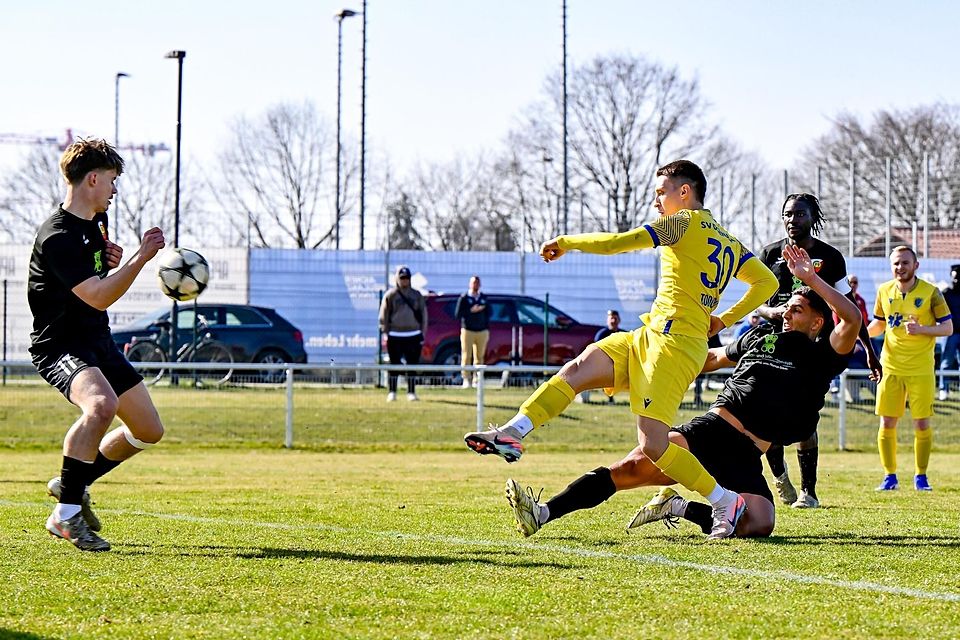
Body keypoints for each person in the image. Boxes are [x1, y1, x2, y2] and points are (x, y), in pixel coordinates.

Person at [465, 159, 778, 539]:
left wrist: (566, 242)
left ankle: (724, 500)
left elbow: (618, 243)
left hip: (675, 347)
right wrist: (723, 319)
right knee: (577, 369)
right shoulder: (728, 239)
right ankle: (513, 432)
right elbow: (766, 282)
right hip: (649, 335)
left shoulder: (682, 223)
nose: (656, 201)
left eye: (661, 192)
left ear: (684, 192)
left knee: (654, 445)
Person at [504, 245, 860, 539]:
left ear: (817, 322)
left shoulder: (824, 353)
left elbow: (852, 319)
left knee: (759, 523)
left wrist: (811, 279)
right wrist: (663, 358)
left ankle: (676, 506)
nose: (786, 313)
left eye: (796, 310)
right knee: (629, 468)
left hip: (748, 452)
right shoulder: (760, 337)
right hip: (712, 431)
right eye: (786, 308)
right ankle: (543, 513)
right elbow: (711, 359)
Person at [29, 139, 166, 552]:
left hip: (97, 341)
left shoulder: (96, 222)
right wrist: (139, 259)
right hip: (60, 346)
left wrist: (108, 259)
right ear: (92, 179)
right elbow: (99, 296)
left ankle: (73, 482)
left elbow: (95, 276)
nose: (114, 190)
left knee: (148, 430)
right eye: (111, 180)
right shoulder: (57, 236)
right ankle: (66, 515)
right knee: (101, 405)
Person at [755, 193, 881, 509]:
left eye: (799, 214)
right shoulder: (769, 254)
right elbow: (757, 303)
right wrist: (774, 312)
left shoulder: (830, 257)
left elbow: (849, 307)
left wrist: (868, 349)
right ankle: (780, 476)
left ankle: (808, 492)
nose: (792, 220)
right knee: (766, 413)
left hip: (812, 349)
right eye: (787, 214)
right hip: (774, 344)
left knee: (805, 416)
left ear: (813, 218)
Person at [868, 246, 953, 491]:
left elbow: (947, 328)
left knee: (921, 424)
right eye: (896, 263)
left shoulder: (931, 293)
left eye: (905, 262)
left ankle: (921, 477)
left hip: (921, 369)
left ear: (916, 265)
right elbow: (879, 324)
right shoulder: (884, 291)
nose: (900, 267)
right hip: (890, 366)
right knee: (886, 423)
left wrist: (922, 330)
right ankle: (889, 477)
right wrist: (855, 335)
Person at [379, 265, 428, 402]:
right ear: (397, 279)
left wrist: (422, 332)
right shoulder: (391, 295)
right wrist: (385, 331)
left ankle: (411, 392)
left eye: (406, 278)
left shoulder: (416, 295)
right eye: (402, 278)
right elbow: (383, 314)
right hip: (395, 334)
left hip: (413, 334)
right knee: (394, 364)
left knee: (412, 365)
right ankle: (392, 392)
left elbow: (423, 314)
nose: (404, 280)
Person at [454, 275, 491, 388]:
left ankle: (477, 379)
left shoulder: (483, 298)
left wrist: (481, 310)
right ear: (470, 284)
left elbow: (490, 312)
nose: (476, 285)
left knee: (479, 356)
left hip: (482, 331)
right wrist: (470, 310)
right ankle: (466, 378)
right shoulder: (464, 298)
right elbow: (457, 314)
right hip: (468, 330)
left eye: (477, 283)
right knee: (466, 355)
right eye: (474, 283)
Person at [938, 264, 960, 400]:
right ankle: (943, 389)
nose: (956, 281)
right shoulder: (946, 293)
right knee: (946, 362)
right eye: (954, 278)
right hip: (950, 333)